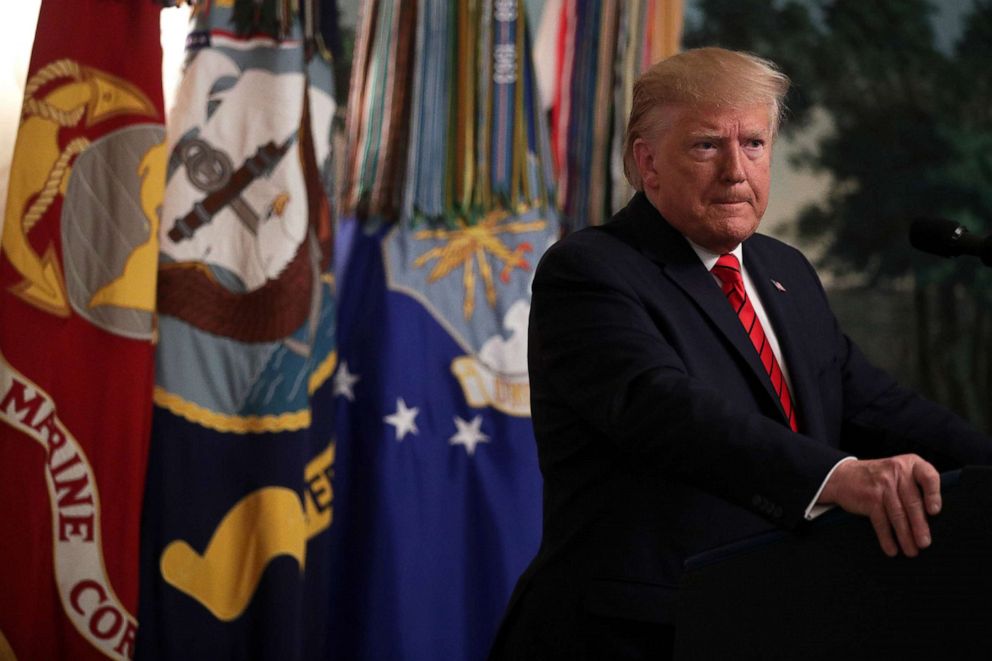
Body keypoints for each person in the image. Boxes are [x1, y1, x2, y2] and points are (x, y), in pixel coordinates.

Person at [488, 47, 992, 660]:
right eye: (706, 145)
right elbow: (669, 412)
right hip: (634, 634)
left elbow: (875, 405)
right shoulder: (590, 271)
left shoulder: (785, 270)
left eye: (753, 143)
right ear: (647, 163)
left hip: (771, 619)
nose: (735, 170)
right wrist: (838, 477)